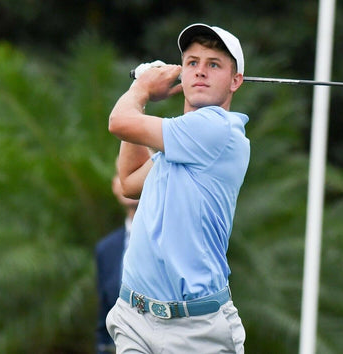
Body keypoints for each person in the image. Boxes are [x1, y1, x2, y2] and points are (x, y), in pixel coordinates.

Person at [106, 23, 249, 353]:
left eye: (214, 64)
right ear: (182, 74)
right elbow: (129, 182)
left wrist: (141, 89)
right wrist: (141, 97)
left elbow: (119, 122)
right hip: (134, 317)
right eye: (192, 63)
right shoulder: (177, 145)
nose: (201, 71)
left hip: (196, 331)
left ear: (235, 80)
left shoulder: (219, 130)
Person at [95, 160, 139, 354]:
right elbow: (104, 317)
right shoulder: (105, 249)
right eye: (122, 173)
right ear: (115, 185)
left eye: (137, 170)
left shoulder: (174, 239)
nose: (128, 178)